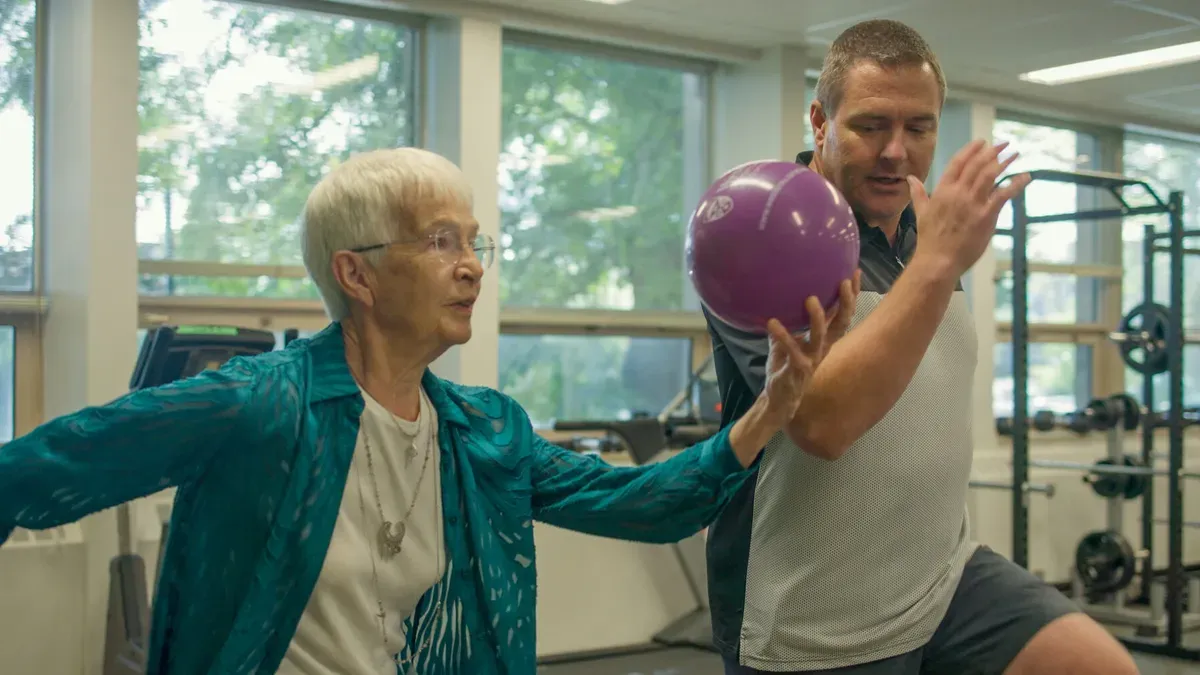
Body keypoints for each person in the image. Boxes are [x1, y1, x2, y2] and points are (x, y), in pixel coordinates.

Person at [0, 147, 856, 675]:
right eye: (441, 240)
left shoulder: (482, 431)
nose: (472, 266)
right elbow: (39, 470)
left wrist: (774, 405)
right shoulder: (257, 405)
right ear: (356, 274)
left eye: (475, 241)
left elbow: (649, 503)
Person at [704, 19, 1140, 675]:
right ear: (820, 122)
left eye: (920, 128)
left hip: (942, 576)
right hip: (814, 613)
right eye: (872, 125)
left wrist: (935, 256)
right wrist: (938, 263)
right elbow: (823, 421)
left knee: (1094, 665)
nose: (896, 152)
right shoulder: (766, 228)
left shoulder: (925, 231)